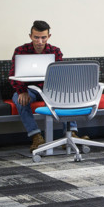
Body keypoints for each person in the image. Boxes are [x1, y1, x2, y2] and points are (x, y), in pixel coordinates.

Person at [9, 20, 61, 151]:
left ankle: (71, 132)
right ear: (30, 36)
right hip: (29, 90)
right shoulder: (21, 50)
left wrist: (55, 91)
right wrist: (21, 91)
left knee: (65, 97)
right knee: (18, 99)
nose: (40, 41)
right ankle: (36, 137)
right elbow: (14, 75)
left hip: (49, 89)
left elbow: (60, 74)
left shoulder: (55, 51)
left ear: (49, 36)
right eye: (36, 37)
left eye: (43, 37)